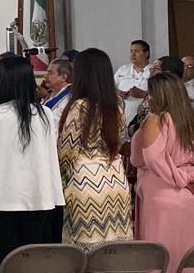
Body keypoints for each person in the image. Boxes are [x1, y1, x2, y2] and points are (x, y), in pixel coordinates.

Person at [0, 56, 63, 269]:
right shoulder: (45, 114)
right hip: (39, 198)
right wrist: (54, 197)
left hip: (0, 201)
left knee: (4, 260)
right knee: (33, 262)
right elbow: (51, 159)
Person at [130, 72, 194, 271]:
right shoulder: (189, 119)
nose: (148, 98)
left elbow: (153, 158)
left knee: (165, 257)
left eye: (151, 93)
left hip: (166, 191)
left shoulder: (156, 120)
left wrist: (180, 178)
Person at [58, 48, 133, 250]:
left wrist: (62, 181)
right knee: (114, 250)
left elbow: (67, 151)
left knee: (86, 251)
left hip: (85, 181)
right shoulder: (116, 105)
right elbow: (120, 141)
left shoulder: (80, 106)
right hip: (115, 177)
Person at [115, 40, 151, 125]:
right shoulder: (123, 69)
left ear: (146, 53)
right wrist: (118, 92)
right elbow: (108, 88)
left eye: (137, 51)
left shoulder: (153, 71)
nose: (133, 54)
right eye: (131, 51)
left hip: (143, 120)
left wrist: (143, 94)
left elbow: (161, 95)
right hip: (120, 119)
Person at [42, 58, 73, 130]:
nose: (45, 76)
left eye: (50, 73)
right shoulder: (50, 95)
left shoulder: (70, 98)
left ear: (63, 77)